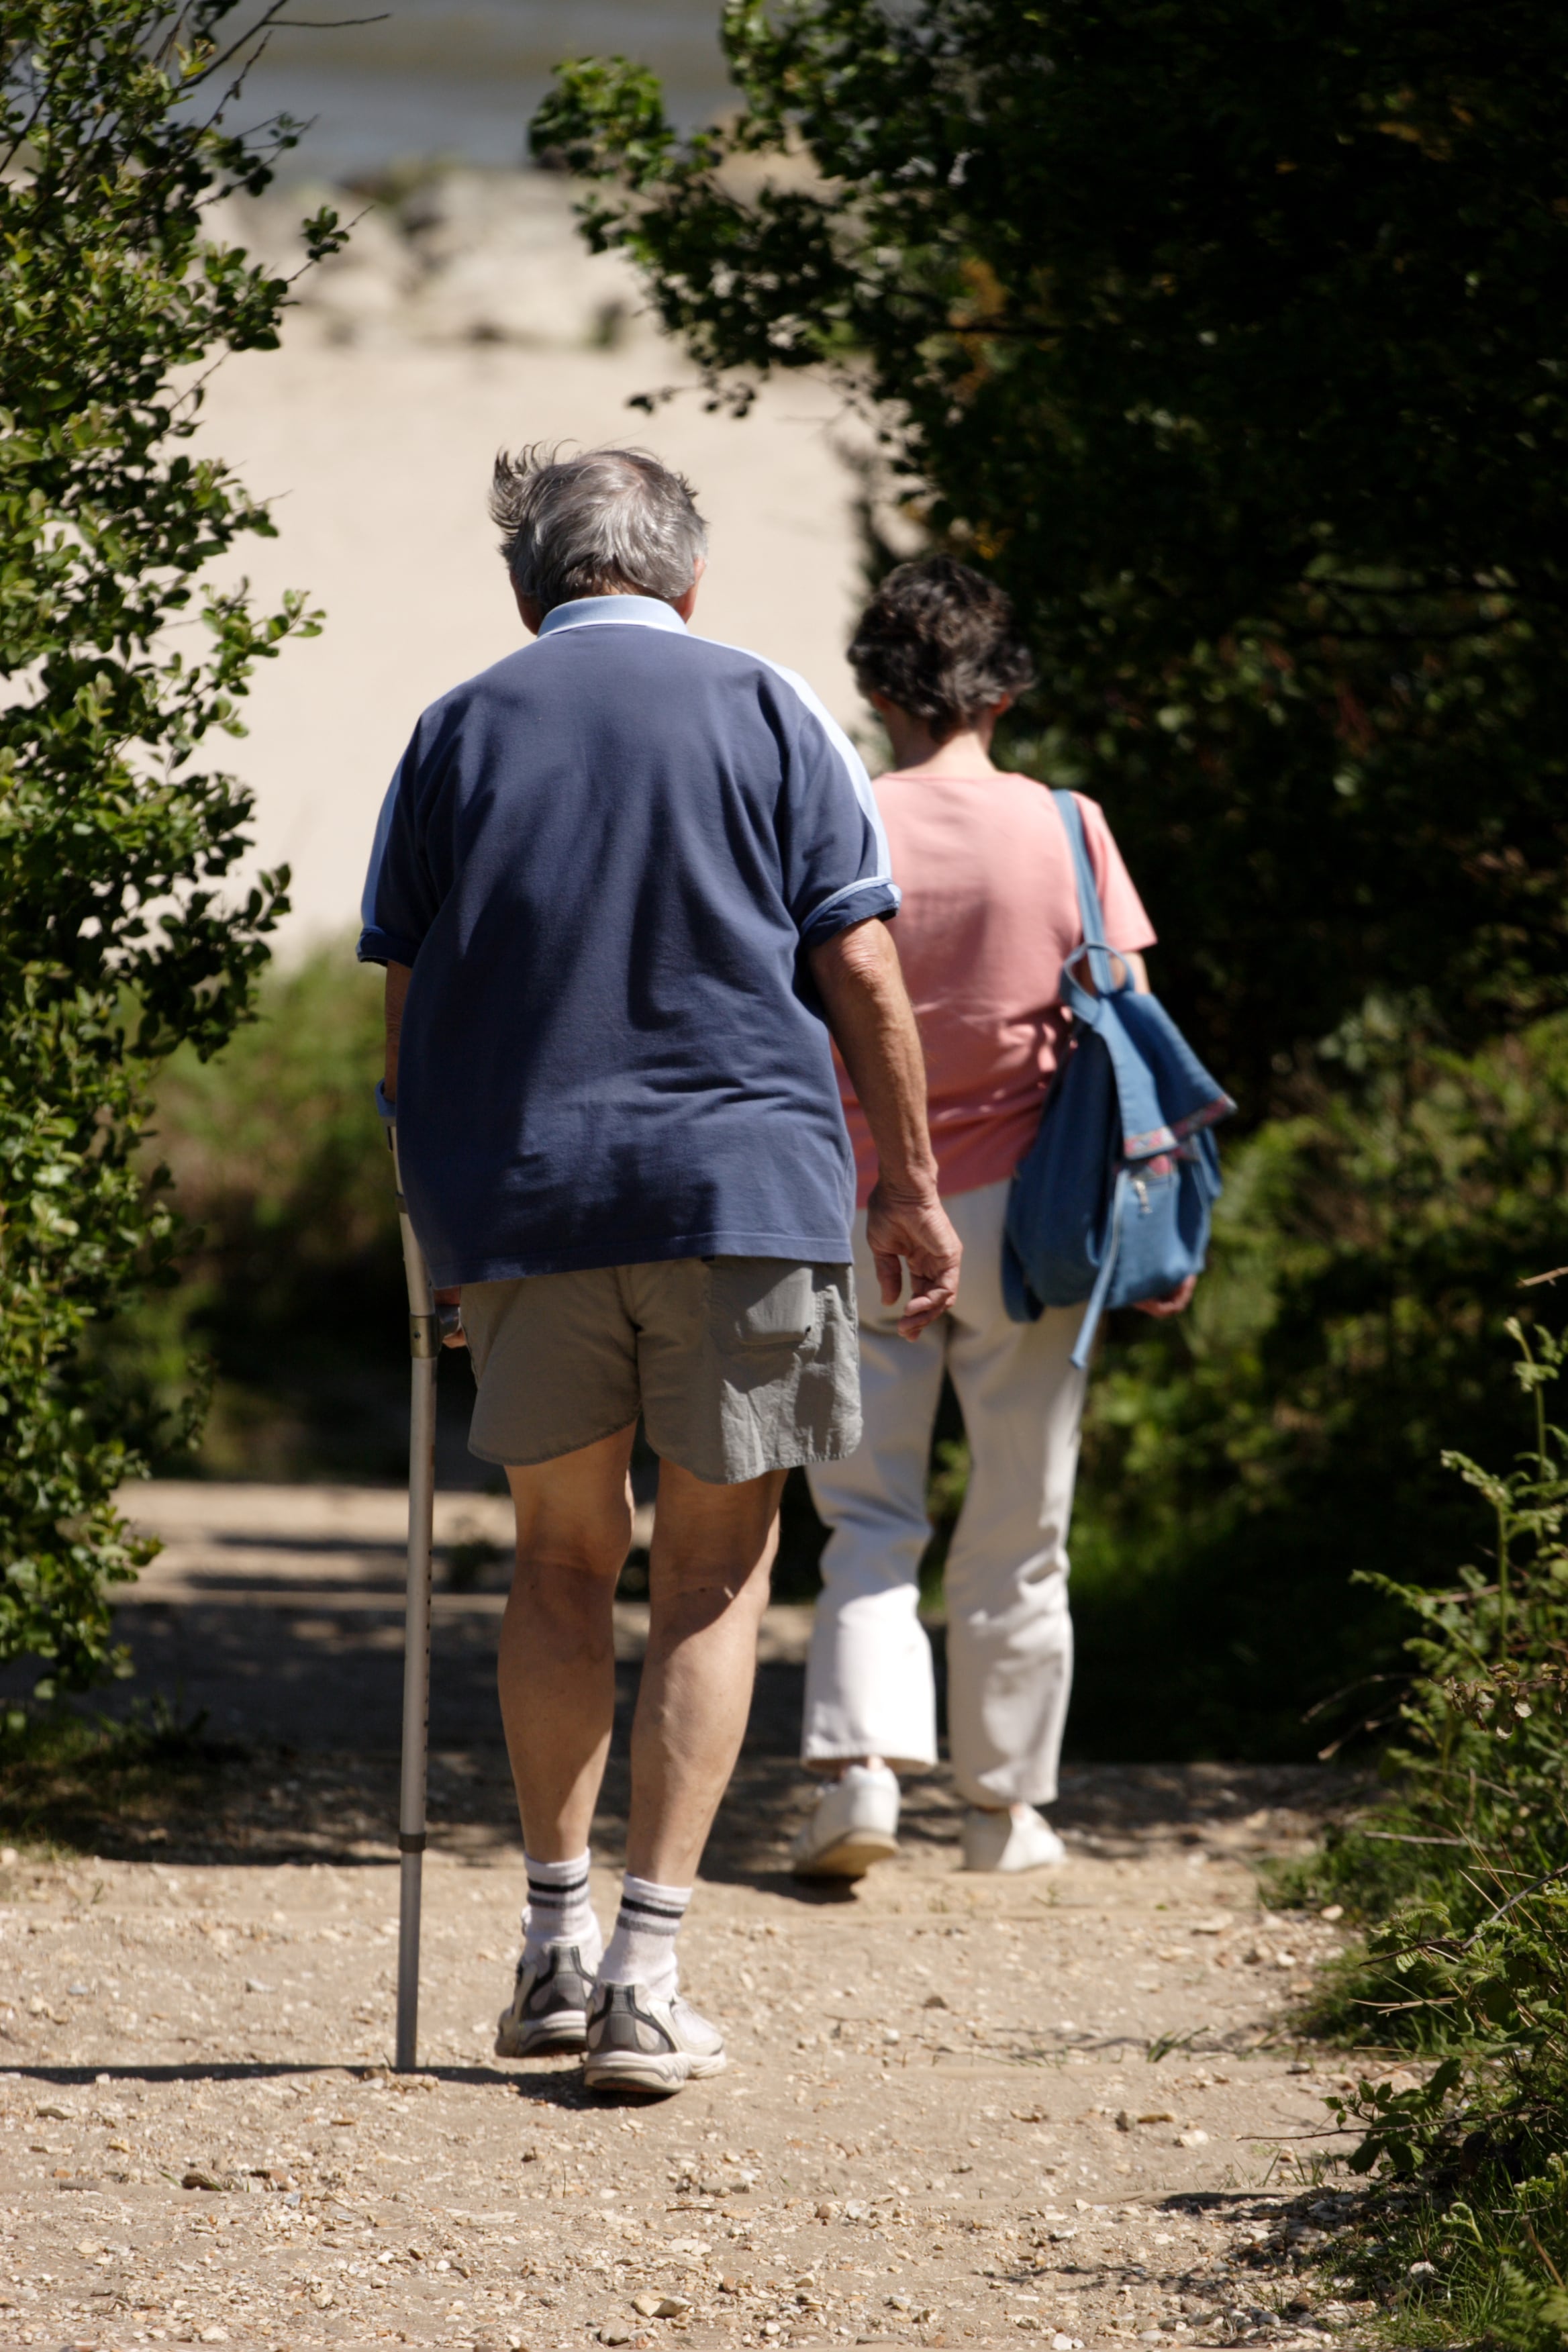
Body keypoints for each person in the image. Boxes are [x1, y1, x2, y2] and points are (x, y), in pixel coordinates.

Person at [358, 448, 961, 2095]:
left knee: (560, 1565)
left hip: (531, 1207)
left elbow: (402, 1019)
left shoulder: (459, 725)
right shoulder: (769, 708)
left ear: (528, 586)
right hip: (745, 1199)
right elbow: (855, 959)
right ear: (686, 582)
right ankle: (644, 1970)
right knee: (709, 1576)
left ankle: (550, 1950)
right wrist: (908, 1186)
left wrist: (438, 1219)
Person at [790, 556, 1190, 1881]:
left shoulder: (839, 817)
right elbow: (1117, 1003)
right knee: (1023, 1519)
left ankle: (858, 1775)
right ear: (1005, 689)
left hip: (859, 1199)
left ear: (872, 689)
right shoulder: (1067, 826)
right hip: (1035, 1221)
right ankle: (1004, 1811)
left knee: (865, 1512)